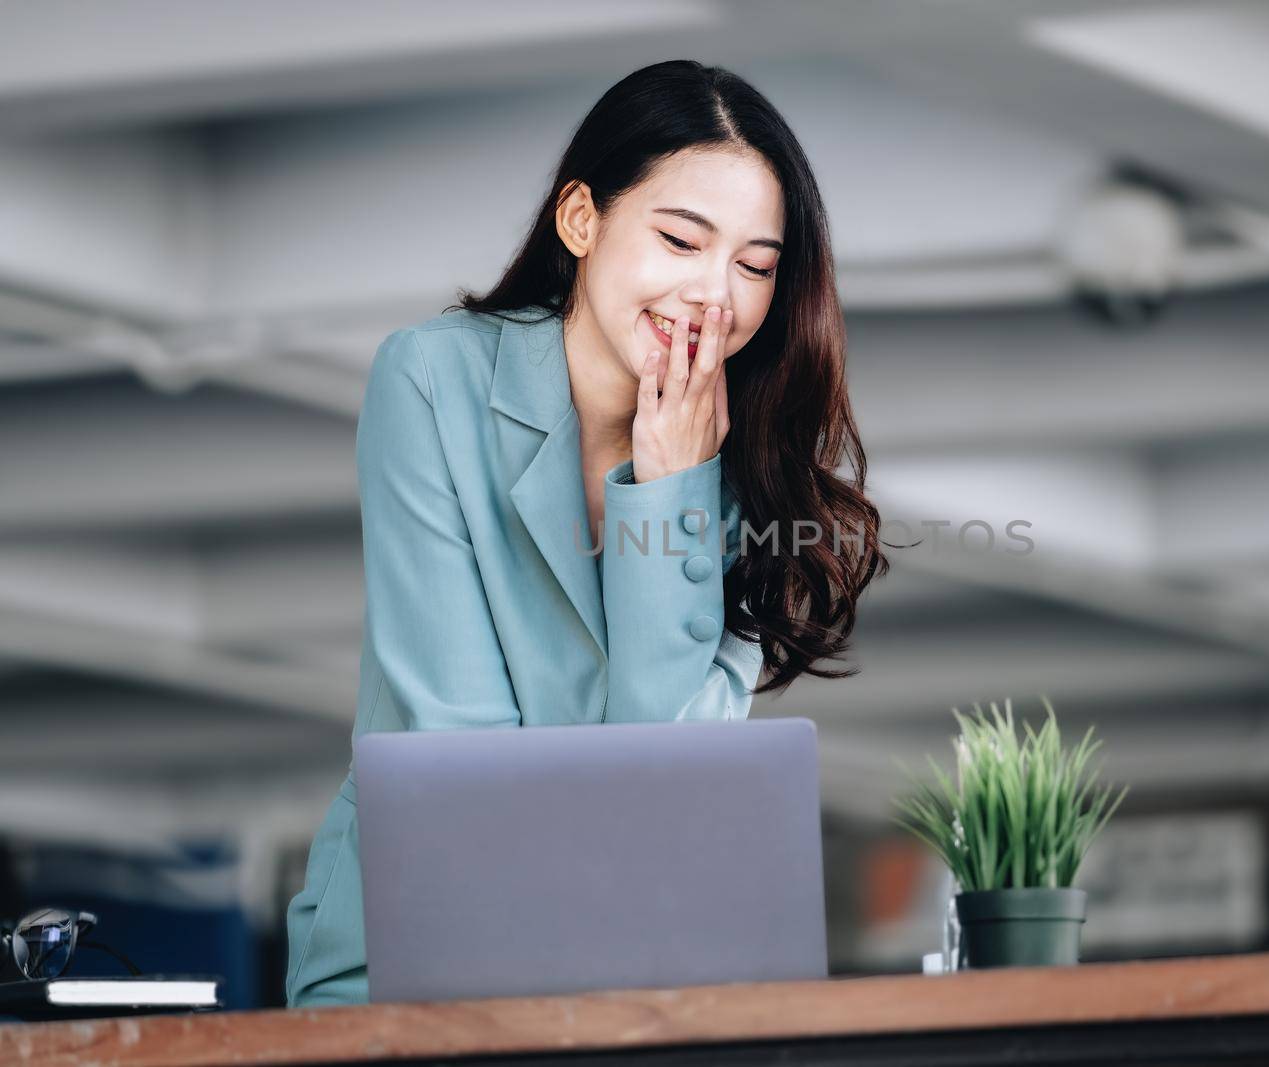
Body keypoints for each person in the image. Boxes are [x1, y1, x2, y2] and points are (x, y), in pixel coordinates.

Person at [283, 59, 889, 1007]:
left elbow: (666, 784)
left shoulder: (745, 476)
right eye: (683, 240)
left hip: (630, 972)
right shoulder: (432, 381)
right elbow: (456, 753)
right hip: (408, 958)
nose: (715, 295)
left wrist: (670, 488)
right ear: (581, 220)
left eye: (756, 266)